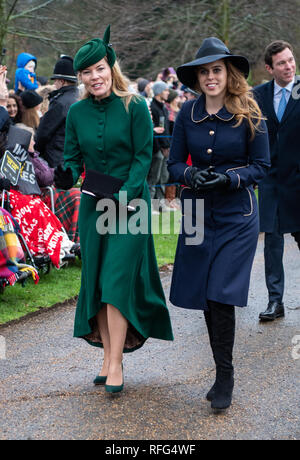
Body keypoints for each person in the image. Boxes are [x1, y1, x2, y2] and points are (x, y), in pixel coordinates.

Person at [54, 26, 173, 393]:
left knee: (117, 283)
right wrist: (65, 173)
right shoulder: (76, 113)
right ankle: (107, 356)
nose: (94, 77)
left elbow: (142, 159)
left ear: (111, 68)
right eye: (87, 72)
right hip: (93, 207)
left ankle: (117, 362)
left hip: (131, 205)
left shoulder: (135, 105)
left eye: (100, 69)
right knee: (100, 284)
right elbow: (73, 160)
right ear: (81, 77)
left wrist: (125, 196)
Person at [168, 37, 270, 411]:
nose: (211, 77)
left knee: (220, 292)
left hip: (236, 215)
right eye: (205, 71)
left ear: (229, 74)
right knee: (204, 294)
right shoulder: (186, 114)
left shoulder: (250, 113)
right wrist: (190, 175)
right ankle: (220, 370)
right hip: (197, 212)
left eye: (217, 70)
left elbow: (262, 167)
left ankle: (225, 375)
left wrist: (229, 179)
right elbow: (174, 163)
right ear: (197, 77)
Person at [253, 41, 300, 322]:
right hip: (270, 180)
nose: (289, 66)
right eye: (282, 63)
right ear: (270, 68)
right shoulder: (258, 95)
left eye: (291, 60)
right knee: (272, 242)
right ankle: (275, 301)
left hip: (299, 180)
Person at [35, 56, 79, 167]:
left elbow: (43, 133)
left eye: (56, 81)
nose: (54, 84)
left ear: (62, 81)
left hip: (55, 159)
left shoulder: (60, 103)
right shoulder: (79, 97)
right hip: (72, 158)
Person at [148, 81, 175, 212]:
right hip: (157, 150)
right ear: (159, 91)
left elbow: (165, 130)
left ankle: (161, 204)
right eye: (166, 90)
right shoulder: (152, 107)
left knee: (163, 178)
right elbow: (153, 130)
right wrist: (160, 147)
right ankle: (151, 205)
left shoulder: (164, 107)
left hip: (166, 148)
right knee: (153, 178)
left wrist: (168, 146)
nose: (168, 93)